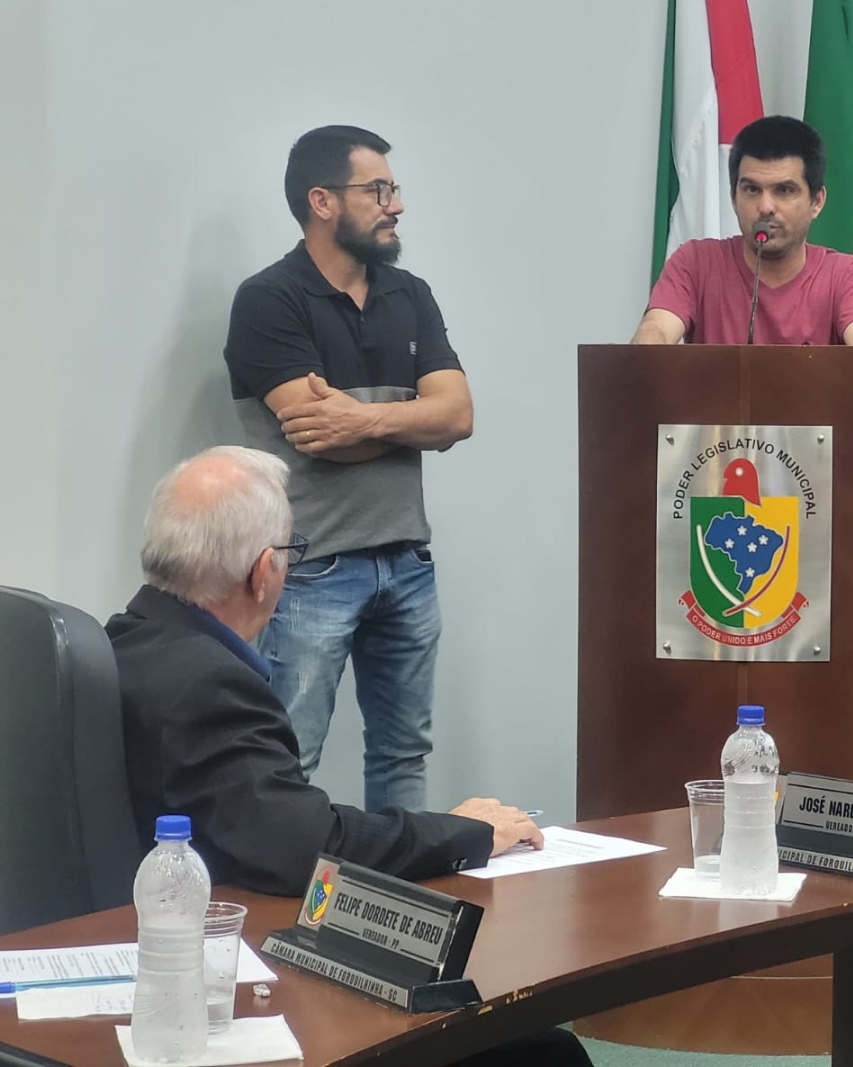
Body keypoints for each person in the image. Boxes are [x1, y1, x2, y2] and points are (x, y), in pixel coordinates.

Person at [106, 448, 591, 1067]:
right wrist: (463, 831)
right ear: (265, 572)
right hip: (209, 991)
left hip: (164, 954)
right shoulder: (208, 681)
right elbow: (305, 847)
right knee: (547, 1055)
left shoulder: (121, 640)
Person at [224, 125, 472, 813]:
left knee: (403, 755)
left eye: (393, 189)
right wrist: (412, 420)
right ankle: (283, 885)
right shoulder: (269, 299)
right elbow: (316, 437)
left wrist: (361, 420)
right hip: (311, 568)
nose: (396, 205)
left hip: (407, 561)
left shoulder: (410, 294)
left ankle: (398, 880)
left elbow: (457, 415)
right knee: (289, 760)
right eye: (378, 190)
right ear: (322, 201)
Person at [632, 115, 853, 347]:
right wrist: (644, 356)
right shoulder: (695, 263)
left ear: (817, 202)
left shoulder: (848, 275)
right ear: (734, 198)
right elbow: (657, 330)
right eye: (752, 190)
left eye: (784, 190)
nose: (765, 207)